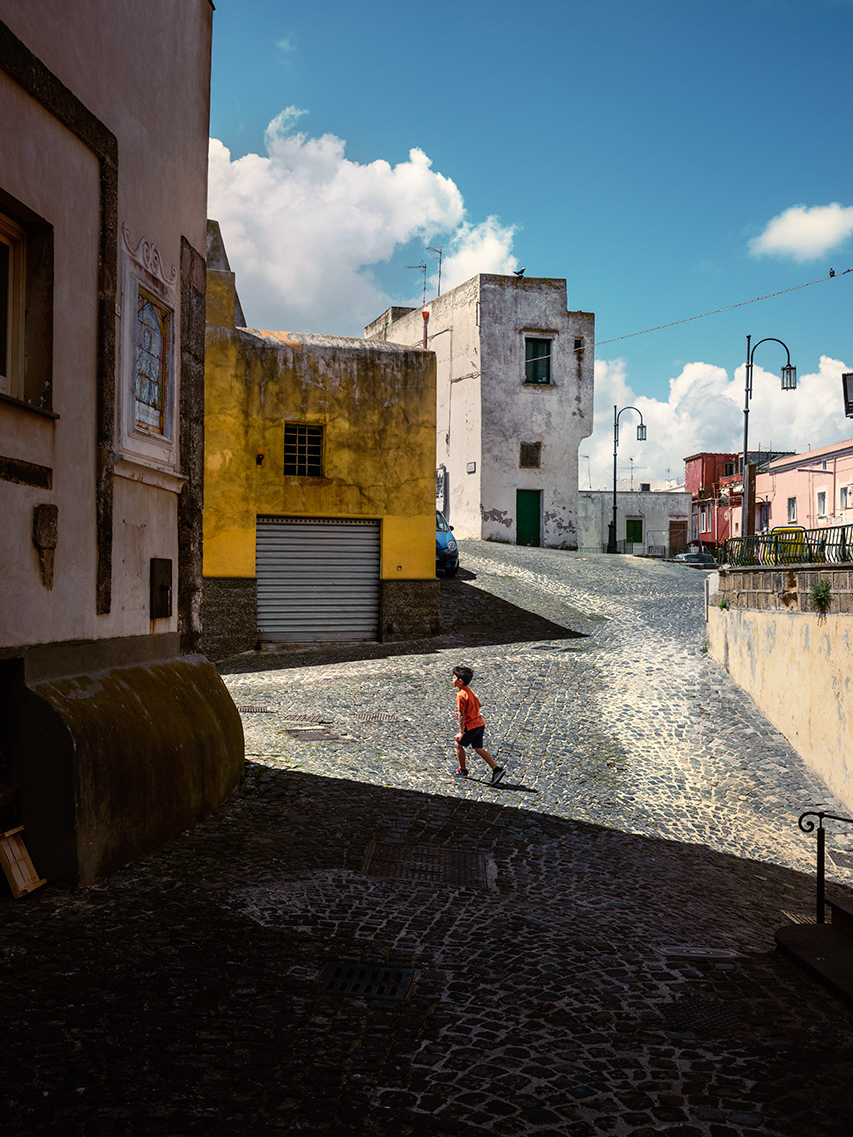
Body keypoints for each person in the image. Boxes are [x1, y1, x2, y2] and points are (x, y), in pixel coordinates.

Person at [452, 665, 504, 784]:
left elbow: (461, 715)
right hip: (479, 724)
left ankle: (462, 770)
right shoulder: (470, 691)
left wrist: (461, 732)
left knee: (458, 745)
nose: (452, 679)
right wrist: (465, 712)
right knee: (478, 748)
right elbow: (478, 705)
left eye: (454, 677)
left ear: (460, 681)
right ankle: (496, 769)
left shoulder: (460, 695)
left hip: (470, 726)